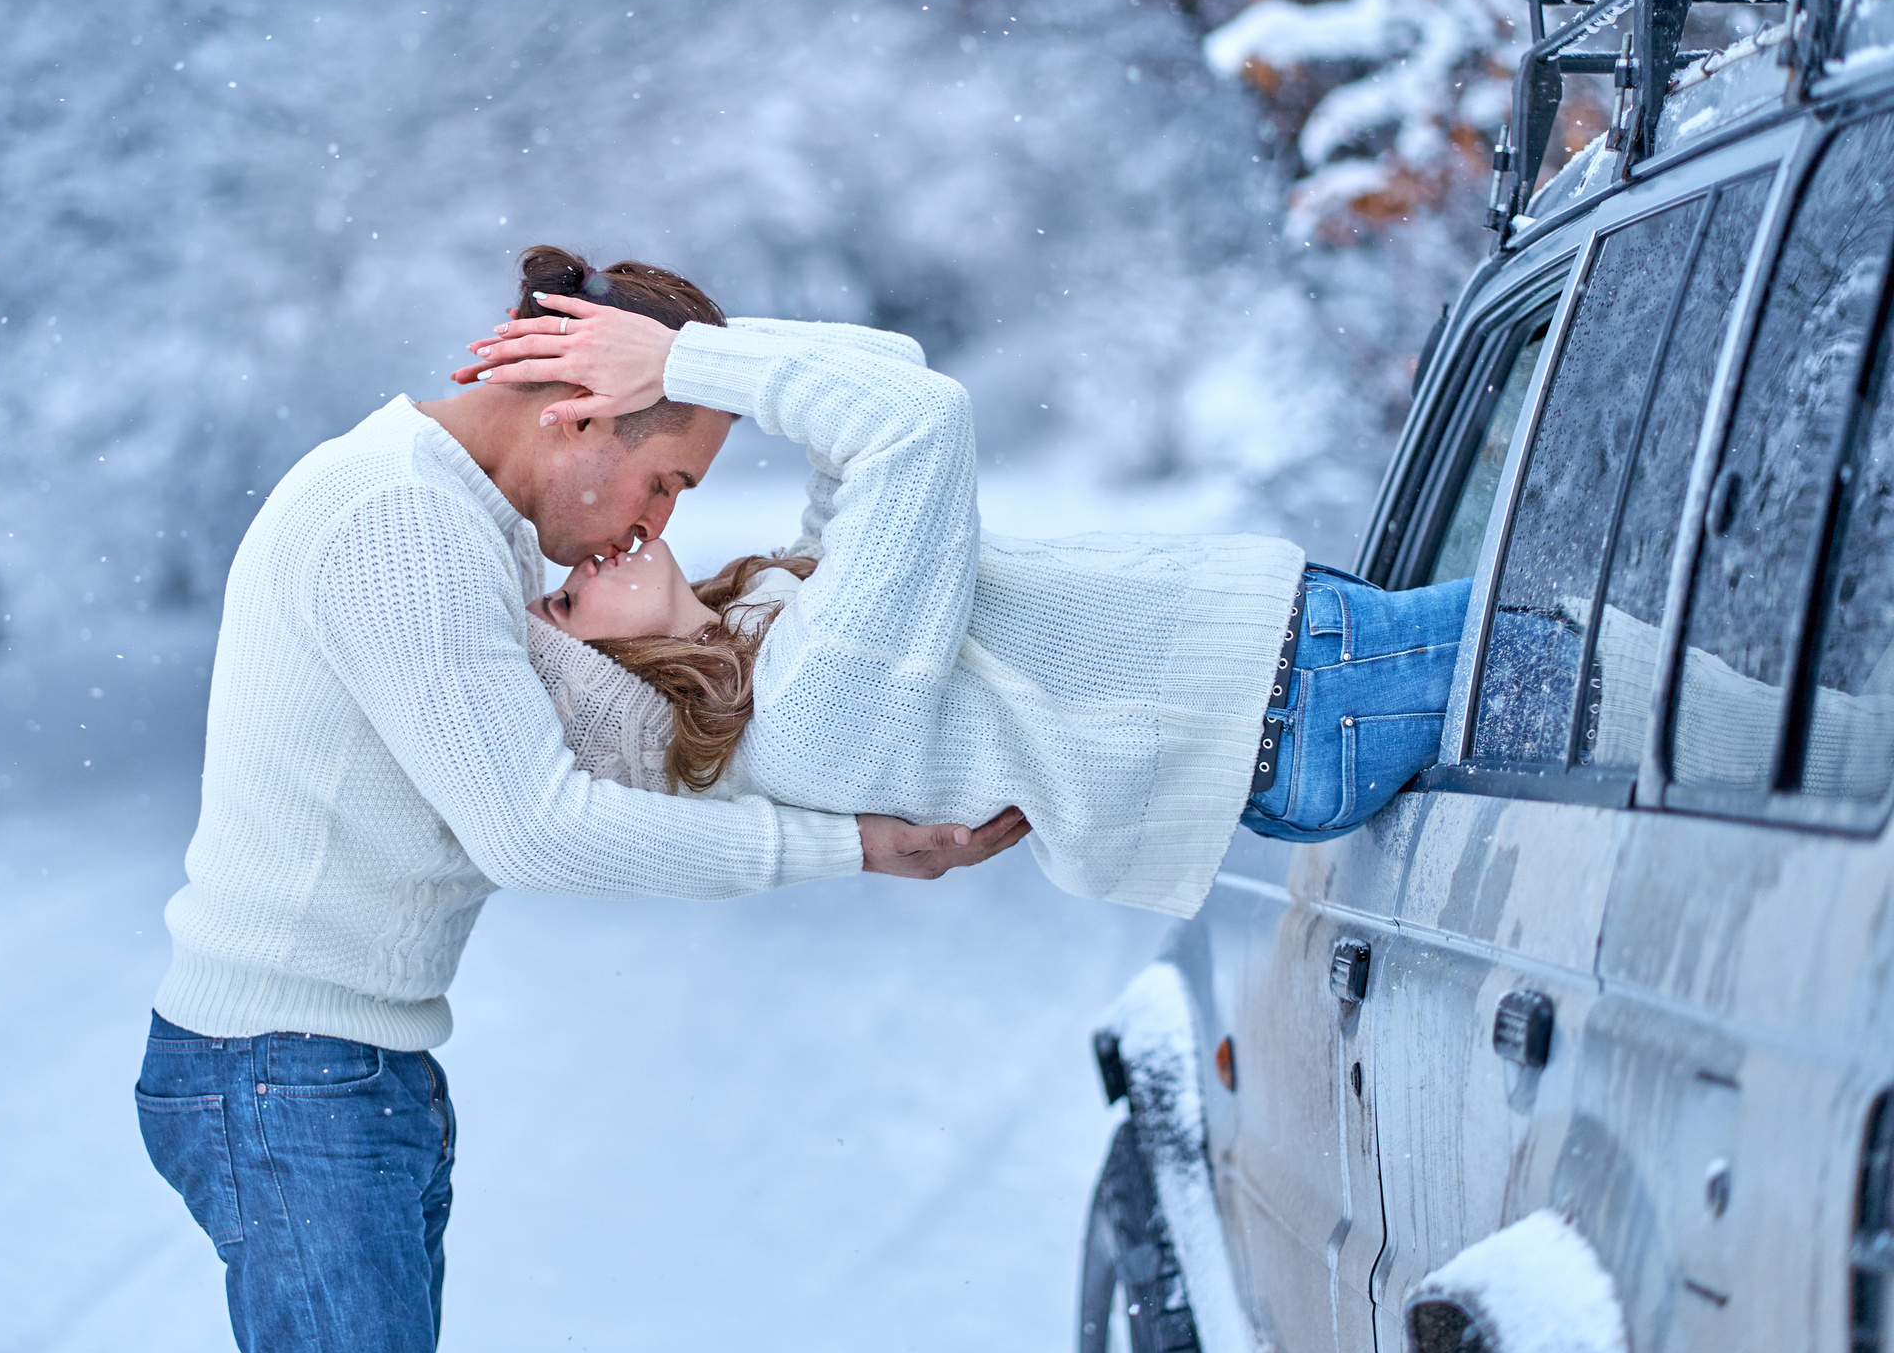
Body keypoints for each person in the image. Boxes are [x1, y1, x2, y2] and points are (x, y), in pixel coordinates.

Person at [137, 248, 1029, 1353]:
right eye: (666, 481)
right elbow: (537, 829)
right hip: (282, 1075)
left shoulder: (476, 515)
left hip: (346, 1068)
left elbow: (893, 378)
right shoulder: (401, 518)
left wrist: (688, 360)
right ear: (577, 418)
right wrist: (854, 844)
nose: (658, 521)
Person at [471, 298, 1472, 918]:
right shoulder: (805, 709)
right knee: (1623, 661)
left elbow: (888, 372)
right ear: (610, 680)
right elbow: (920, 426)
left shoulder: (782, 626)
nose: (590, 555)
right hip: (1305, 698)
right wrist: (684, 368)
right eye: (565, 601)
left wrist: (683, 355)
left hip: (1309, 685)